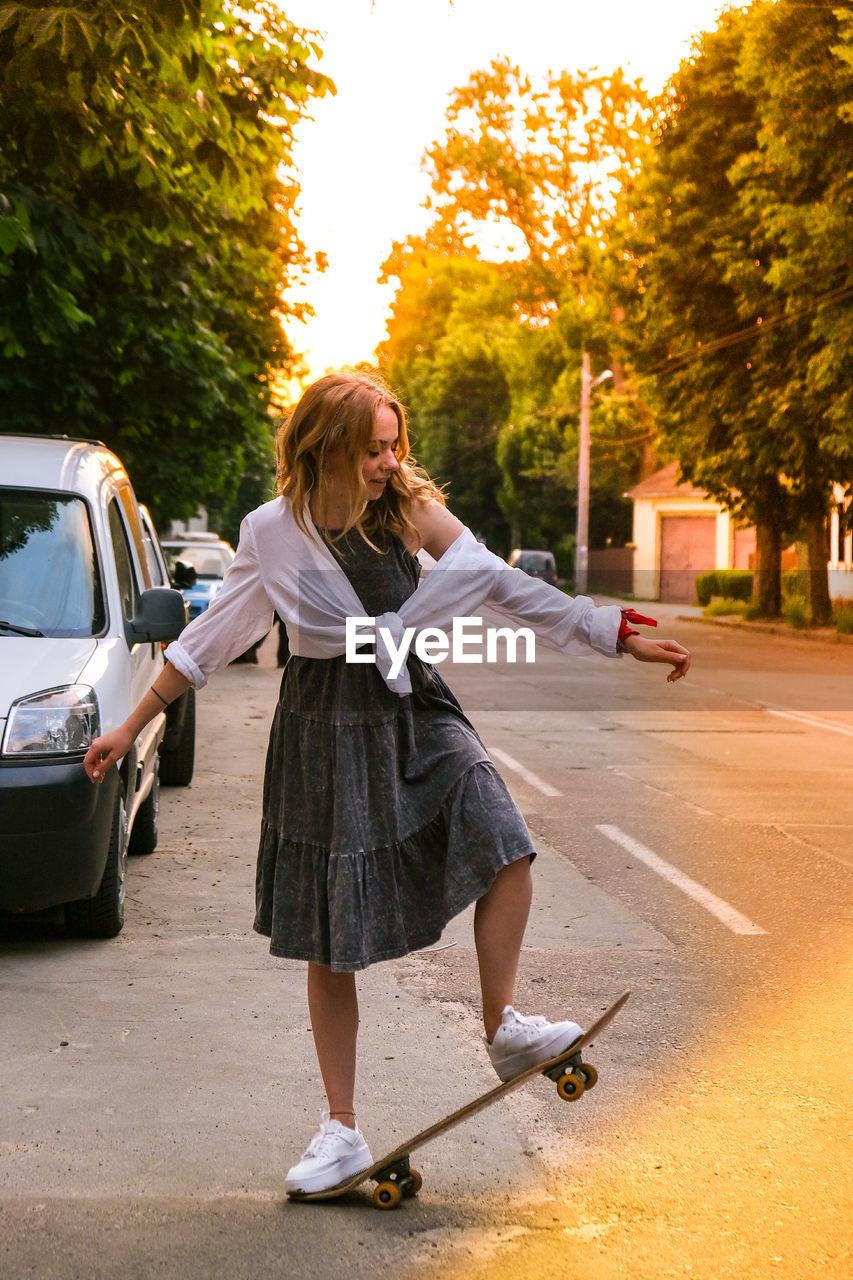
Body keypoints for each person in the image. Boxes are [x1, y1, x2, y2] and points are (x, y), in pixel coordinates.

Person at [84, 371, 691, 1197]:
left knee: (502, 837)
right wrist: (130, 725)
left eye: (392, 444)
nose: (387, 460)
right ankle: (339, 1128)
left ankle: (505, 1025)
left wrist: (606, 629)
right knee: (333, 935)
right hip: (322, 729)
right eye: (372, 447)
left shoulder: (403, 508)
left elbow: (494, 580)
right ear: (327, 445)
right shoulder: (272, 531)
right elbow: (214, 635)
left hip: (410, 704)